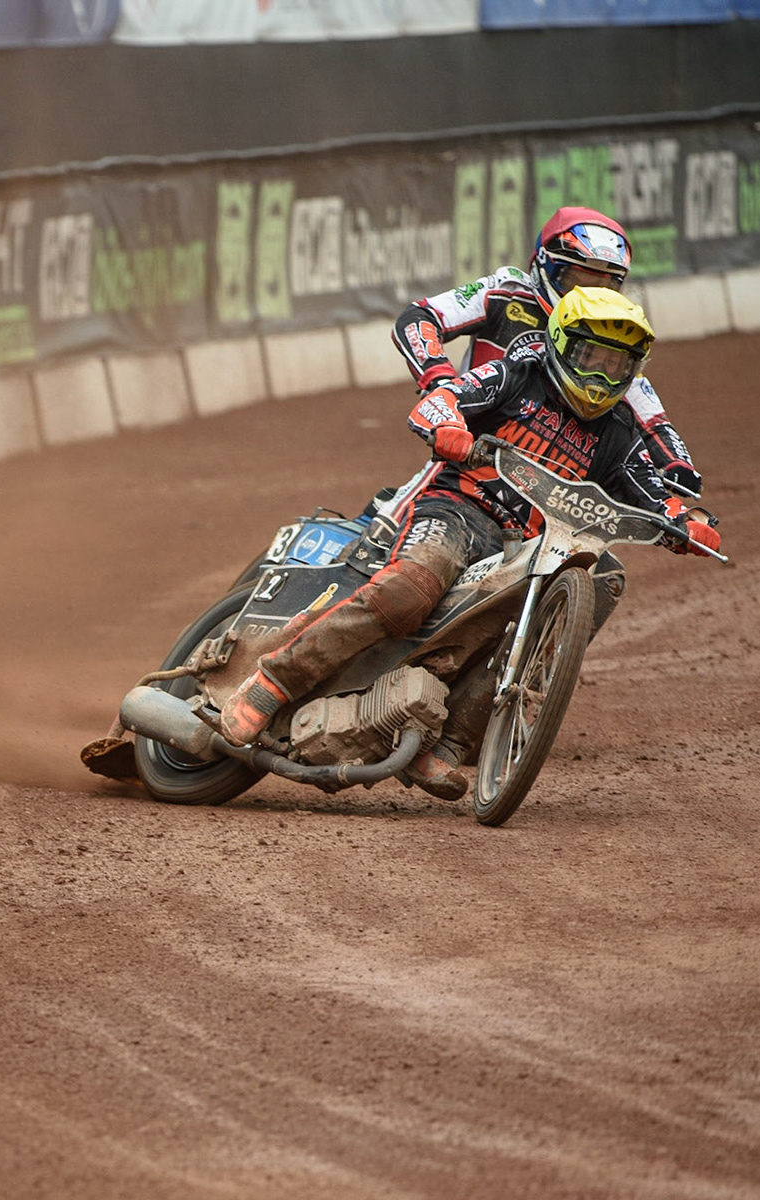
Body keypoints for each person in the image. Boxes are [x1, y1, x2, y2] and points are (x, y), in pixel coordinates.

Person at [222, 287, 720, 801]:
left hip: (531, 547)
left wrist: (687, 523)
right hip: (460, 511)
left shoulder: (620, 434)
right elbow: (441, 402)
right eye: (589, 356)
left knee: (587, 589)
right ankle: (273, 682)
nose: (599, 376)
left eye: (616, 365)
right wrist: (449, 427)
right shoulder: (514, 376)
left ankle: (449, 746)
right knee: (410, 590)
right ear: (558, 344)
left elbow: (660, 498)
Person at [393, 206, 704, 499]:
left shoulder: (608, 332)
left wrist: (677, 463)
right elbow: (419, 317)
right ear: (544, 265)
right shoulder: (506, 292)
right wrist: (440, 384)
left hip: (557, 467)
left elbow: (646, 408)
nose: (586, 294)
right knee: (406, 522)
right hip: (469, 447)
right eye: (578, 280)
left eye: (603, 287)